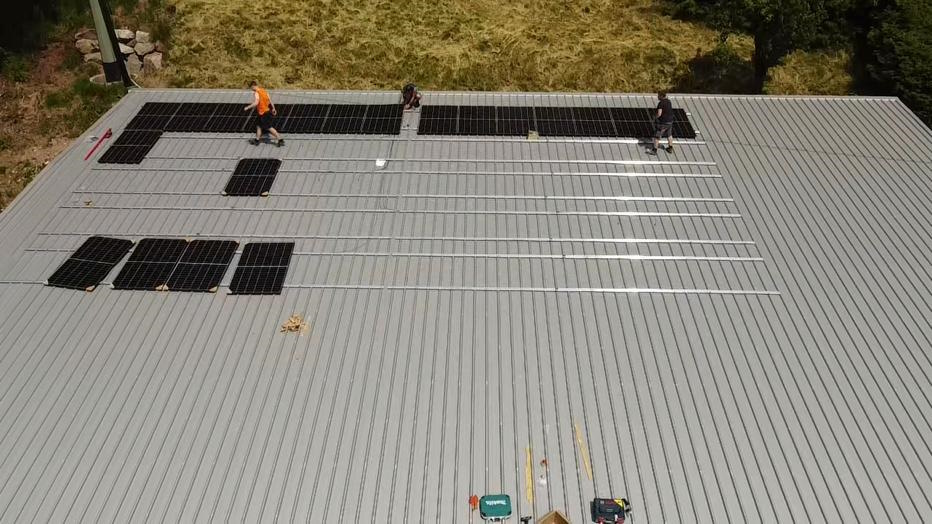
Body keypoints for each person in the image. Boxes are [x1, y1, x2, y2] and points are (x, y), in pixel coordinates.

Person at [244, 80, 284, 147]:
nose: (251, 90)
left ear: (253, 86)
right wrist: (273, 108)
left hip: (263, 113)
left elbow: (256, 102)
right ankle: (257, 140)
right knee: (258, 126)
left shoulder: (256, 93)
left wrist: (248, 107)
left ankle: (280, 139)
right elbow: (270, 100)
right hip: (265, 112)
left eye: (251, 88)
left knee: (268, 127)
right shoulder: (264, 91)